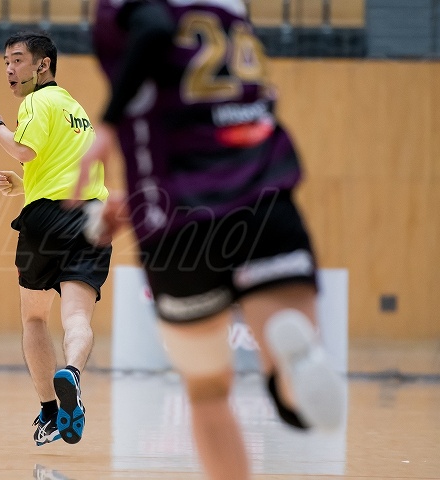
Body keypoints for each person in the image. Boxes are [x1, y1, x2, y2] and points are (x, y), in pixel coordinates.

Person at [74, 1, 345, 478]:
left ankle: (293, 368)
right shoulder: (231, 5)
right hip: (264, 199)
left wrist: (110, 125)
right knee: (293, 394)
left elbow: (154, 29)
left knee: (206, 388)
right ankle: (295, 367)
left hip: (177, 222)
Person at [0, 31, 111, 447]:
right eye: (5, 62)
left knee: (35, 318)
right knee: (77, 318)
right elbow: (60, 169)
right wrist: (25, 186)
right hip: (91, 218)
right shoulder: (77, 111)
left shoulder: (37, 102)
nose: (9, 69)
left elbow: (24, 151)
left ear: (43, 65)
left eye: (17, 60)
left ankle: (51, 413)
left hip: (46, 221)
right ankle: (72, 372)